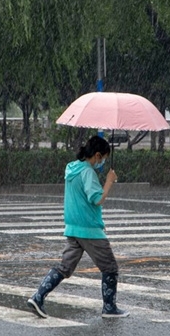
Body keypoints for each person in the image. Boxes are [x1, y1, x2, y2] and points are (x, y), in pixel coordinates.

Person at [27, 135, 130, 319]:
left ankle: (38, 296)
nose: (103, 163)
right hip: (89, 230)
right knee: (110, 268)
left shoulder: (72, 168)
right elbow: (97, 199)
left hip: (73, 229)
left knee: (64, 267)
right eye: (104, 159)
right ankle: (109, 308)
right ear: (97, 155)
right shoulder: (88, 172)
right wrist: (109, 181)